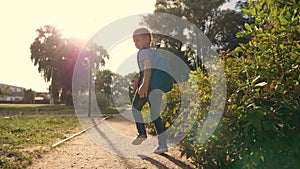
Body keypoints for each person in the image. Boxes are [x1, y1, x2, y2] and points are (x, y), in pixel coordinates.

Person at [131, 27, 168, 154]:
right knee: (155, 115)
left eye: (137, 40)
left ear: (147, 39)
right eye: (134, 41)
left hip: (148, 86)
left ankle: (142, 133)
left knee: (136, 108)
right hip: (156, 87)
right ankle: (163, 145)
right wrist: (138, 82)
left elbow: (147, 67)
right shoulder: (154, 52)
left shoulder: (143, 52)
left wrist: (144, 85)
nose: (136, 43)